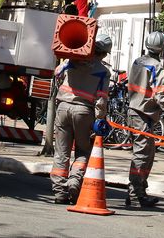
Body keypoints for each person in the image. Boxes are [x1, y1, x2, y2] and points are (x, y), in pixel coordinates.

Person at [50, 33, 111, 204]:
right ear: (104, 53)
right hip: (84, 112)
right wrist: (99, 120)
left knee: (61, 151)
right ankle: (74, 182)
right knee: (83, 151)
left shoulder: (71, 62)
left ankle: (59, 192)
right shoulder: (103, 72)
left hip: (62, 108)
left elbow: (56, 74)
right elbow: (101, 100)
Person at [126, 31, 164, 207]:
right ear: (162, 48)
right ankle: (135, 194)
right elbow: (160, 94)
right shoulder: (156, 66)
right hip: (144, 114)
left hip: (134, 111)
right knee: (142, 156)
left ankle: (139, 191)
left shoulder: (138, 62)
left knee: (147, 154)